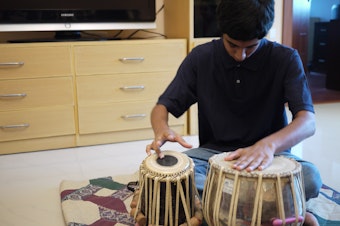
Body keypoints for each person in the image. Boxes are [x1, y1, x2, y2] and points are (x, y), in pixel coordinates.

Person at [145, 0, 322, 225]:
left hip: (272, 158)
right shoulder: (201, 57)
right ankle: (276, 209)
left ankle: (219, 209)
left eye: (251, 47)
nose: (241, 55)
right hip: (213, 157)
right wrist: (162, 128)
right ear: (222, 32)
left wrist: (267, 146)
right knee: (173, 176)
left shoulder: (285, 58)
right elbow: (162, 106)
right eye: (233, 46)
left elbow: (308, 121)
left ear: (265, 34)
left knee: (311, 178)